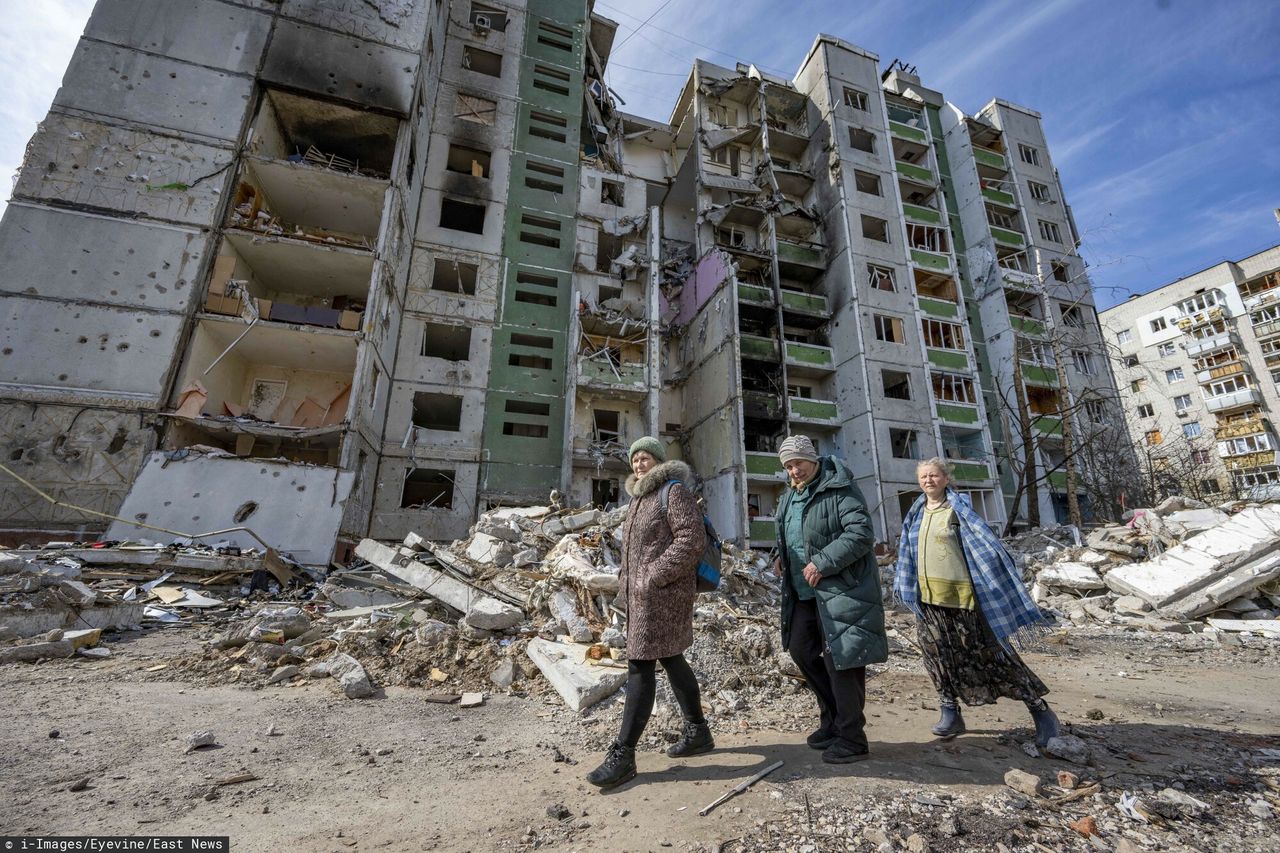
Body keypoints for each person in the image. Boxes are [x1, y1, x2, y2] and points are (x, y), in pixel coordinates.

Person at [894, 458, 1061, 746]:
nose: (928, 481)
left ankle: (1040, 710)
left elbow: (985, 547)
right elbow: (909, 553)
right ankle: (950, 711)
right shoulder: (916, 513)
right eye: (923, 477)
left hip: (964, 600)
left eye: (934, 475)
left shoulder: (959, 511)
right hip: (928, 601)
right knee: (936, 657)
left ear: (946, 478)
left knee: (994, 656)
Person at [586, 436, 711, 788]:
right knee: (671, 657)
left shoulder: (673, 492)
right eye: (635, 459)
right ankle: (699, 731)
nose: (639, 464)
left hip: (662, 595)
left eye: (645, 458)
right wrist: (628, 581)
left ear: (658, 461)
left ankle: (623, 755)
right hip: (642, 596)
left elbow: (691, 539)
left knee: (640, 665)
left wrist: (653, 576)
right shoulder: (640, 498)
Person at [773, 435, 887, 764]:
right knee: (801, 650)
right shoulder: (789, 497)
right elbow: (792, 535)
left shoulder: (839, 488)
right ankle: (833, 722)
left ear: (813, 459)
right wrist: (780, 555)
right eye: (788, 466)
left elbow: (861, 533)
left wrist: (822, 562)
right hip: (803, 594)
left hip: (842, 591)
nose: (794, 470)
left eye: (798, 463)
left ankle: (852, 737)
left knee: (842, 662)